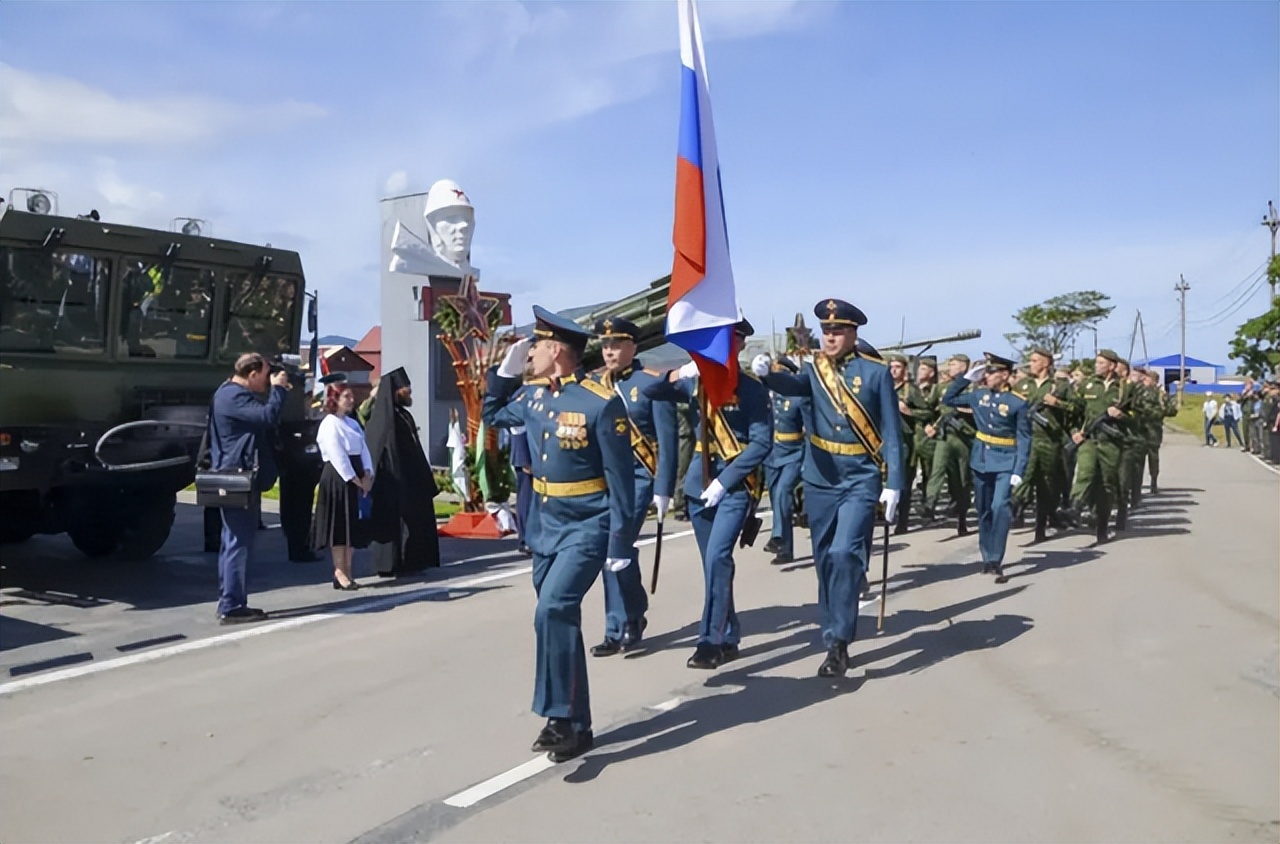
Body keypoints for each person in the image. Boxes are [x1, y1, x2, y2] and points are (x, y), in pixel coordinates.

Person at [483, 306, 635, 763]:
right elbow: (492, 414)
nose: (530, 354)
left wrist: (620, 546)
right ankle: (579, 725)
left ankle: (558, 719)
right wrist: (503, 373)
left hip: (588, 524)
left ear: (559, 352)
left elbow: (622, 483)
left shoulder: (600, 403)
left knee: (553, 608)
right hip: (545, 527)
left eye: (537, 347)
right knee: (557, 620)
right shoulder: (533, 398)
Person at [754, 298, 904, 678]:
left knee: (842, 553)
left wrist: (894, 484)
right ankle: (833, 638)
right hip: (821, 477)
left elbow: (891, 432)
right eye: (826, 331)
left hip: (859, 476)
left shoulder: (875, 373)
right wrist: (767, 375)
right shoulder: (815, 370)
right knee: (824, 561)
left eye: (838, 331)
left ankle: (840, 637)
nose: (831, 338)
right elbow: (793, 384)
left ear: (853, 334)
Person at [651, 318, 772, 670]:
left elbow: (761, 442)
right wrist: (679, 374)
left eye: (729, 341)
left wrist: (726, 480)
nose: (722, 347)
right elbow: (652, 392)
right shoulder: (696, 382)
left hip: (732, 488)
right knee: (711, 565)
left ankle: (710, 640)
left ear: (740, 345)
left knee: (719, 557)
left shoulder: (751, 389)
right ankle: (730, 632)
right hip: (698, 484)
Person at [586, 316, 678, 657]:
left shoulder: (652, 382)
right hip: (603, 480)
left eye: (617, 345)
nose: (609, 352)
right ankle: (630, 615)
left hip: (639, 478)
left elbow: (666, 441)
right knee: (613, 553)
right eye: (606, 346)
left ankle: (620, 625)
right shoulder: (592, 384)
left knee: (616, 548)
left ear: (633, 348)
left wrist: (664, 488)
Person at [208, 352, 290, 624]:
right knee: (237, 542)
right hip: (235, 477)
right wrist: (278, 390)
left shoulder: (226, 393)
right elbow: (267, 417)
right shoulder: (233, 397)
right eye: (266, 375)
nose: (268, 381)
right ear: (252, 374)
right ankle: (231, 606)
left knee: (234, 541)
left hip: (233, 475)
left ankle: (232, 602)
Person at [943, 354, 1032, 582]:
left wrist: (1019, 470)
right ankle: (986, 556)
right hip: (981, 459)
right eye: (987, 372)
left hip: (1005, 460)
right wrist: (965, 378)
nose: (988, 376)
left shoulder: (1017, 402)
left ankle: (995, 558)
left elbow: (1024, 438)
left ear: (1004, 375)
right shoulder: (979, 395)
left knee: (999, 507)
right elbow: (948, 399)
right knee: (983, 510)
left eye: (993, 372)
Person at [366, 367, 441, 576]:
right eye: (404, 388)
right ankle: (391, 564)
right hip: (393, 481)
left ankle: (415, 560)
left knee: (418, 520)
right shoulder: (383, 418)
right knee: (396, 522)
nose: (409, 391)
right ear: (394, 390)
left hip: (413, 479)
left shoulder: (404, 415)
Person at [310, 384, 373, 590]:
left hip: (356, 475)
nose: (351, 399)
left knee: (351, 525)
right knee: (339, 526)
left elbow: (363, 448)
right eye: (346, 396)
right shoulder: (329, 424)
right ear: (334, 399)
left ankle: (348, 570)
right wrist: (354, 478)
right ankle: (339, 570)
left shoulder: (352, 423)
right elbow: (337, 455)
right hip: (339, 477)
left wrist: (368, 473)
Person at [1010, 347, 1075, 543]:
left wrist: (1057, 403)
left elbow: (1075, 409)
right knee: (1024, 475)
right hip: (1027, 438)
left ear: (1046, 363)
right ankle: (1015, 505)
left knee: (1047, 486)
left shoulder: (1060, 385)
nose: (1032, 364)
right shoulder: (1023, 385)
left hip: (1050, 440)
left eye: (1036, 360)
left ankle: (1042, 526)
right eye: (1031, 360)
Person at [1066, 350, 1130, 542]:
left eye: (1101, 363)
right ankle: (1075, 507)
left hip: (1112, 443)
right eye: (1097, 362)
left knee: (1106, 485)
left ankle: (1101, 524)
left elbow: (1138, 418)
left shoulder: (1124, 389)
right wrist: (1074, 431)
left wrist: (1122, 416)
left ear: (1112, 365)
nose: (1097, 366)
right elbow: (1073, 411)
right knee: (1085, 470)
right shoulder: (1087, 385)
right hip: (1089, 439)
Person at [921, 355, 975, 535]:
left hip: (964, 438)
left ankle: (962, 518)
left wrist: (963, 411)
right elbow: (927, 409)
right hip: (944, 436)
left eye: (953, 365)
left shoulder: (973, 387)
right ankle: (929, 505)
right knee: (937, 470)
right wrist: (927, 424)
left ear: (963, 367)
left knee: (962, 479)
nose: (949, 368)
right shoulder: (941, 388)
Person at [763, 358, 807, 564]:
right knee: (777, 501)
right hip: (772, 455)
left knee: (783, 493)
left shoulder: (798, 398)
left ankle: (777, 537)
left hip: (794, 453)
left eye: (780, 372)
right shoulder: (766, 396)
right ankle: (785, 550)